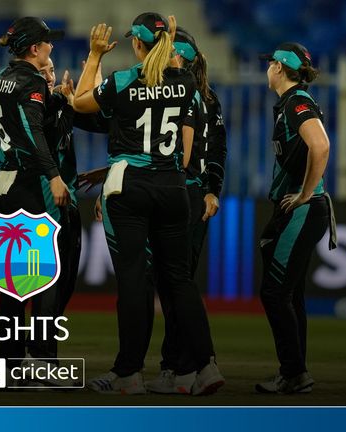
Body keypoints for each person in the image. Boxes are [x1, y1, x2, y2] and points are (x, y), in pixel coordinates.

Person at [72, 13, 223, 395]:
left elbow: (80, 103)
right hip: (173, 187)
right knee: (179, 279)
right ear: (167, 45)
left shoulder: (123, 82)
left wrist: (93, 56)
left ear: (136, 44)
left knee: (134, 280)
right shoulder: (187, 82)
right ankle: (206, 365)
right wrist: (168, 43)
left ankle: (129, 372)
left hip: (130, 187)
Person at [146, 27, 228, 394]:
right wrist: (213, 190)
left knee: (174, 282)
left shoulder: (176, 95)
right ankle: (188, 367)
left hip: (177, 193)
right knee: (180, 281)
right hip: (196, 196)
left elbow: (185, 153)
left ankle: (186, 367)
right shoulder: (209, 97)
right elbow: (219, 152)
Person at [0, 17, 70, 381]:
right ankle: (42, 359)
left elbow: (24, 122)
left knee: (11, 280)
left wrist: (57, 101)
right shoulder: (32, 81)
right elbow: (33, 130)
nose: (52, 47)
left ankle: (10, 363)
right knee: (42, 278)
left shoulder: (4, 78)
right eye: (47, 43)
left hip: (4, 181)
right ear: (35, 49)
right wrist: (53, 176)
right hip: (29, 184)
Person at [255, 42, 335, 394]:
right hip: (300, 207)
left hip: (304, 208)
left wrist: (305, 193)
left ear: (279, 67)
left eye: (269, 62)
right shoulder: (290, 103)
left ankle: (294, 372)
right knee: (290, 294)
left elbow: (321, 145)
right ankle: (295, 371)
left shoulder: (296, 102)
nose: (266, 67)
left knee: (275, 292)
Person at [39, 58, 109, 316]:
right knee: (47, 281)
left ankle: (41, 342)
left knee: (65, 282)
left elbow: (101, 120)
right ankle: (39, 347)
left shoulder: (58, 103)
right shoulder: (34, 108)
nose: (49, 76)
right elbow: (53, 132)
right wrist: (70, 105)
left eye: (52, 70)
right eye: (42, 71)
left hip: (68, 202)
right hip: (46, 204)